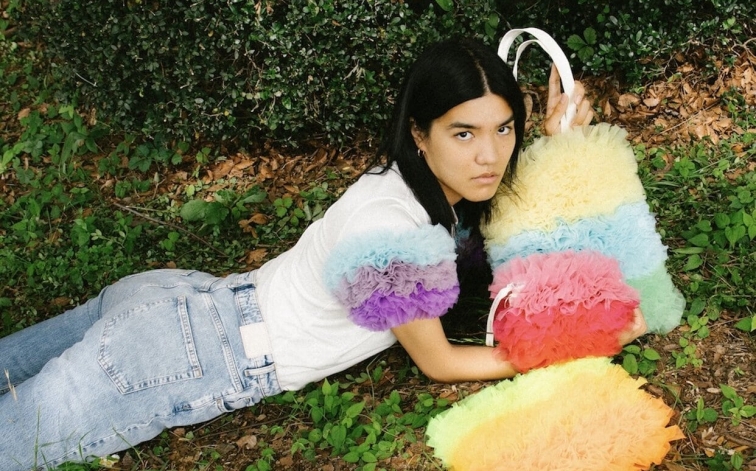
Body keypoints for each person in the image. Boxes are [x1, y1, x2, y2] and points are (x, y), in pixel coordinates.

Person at [0, 38, 645, 470]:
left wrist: (559, 142)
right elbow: (441, 362)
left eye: (503, 129)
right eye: (463, 133)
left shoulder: (410, 188)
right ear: (420, 134)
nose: (490, 155)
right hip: (181, 354)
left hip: (185, 302)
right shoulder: (390, 235)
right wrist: (564, 349)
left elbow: (506, 209)